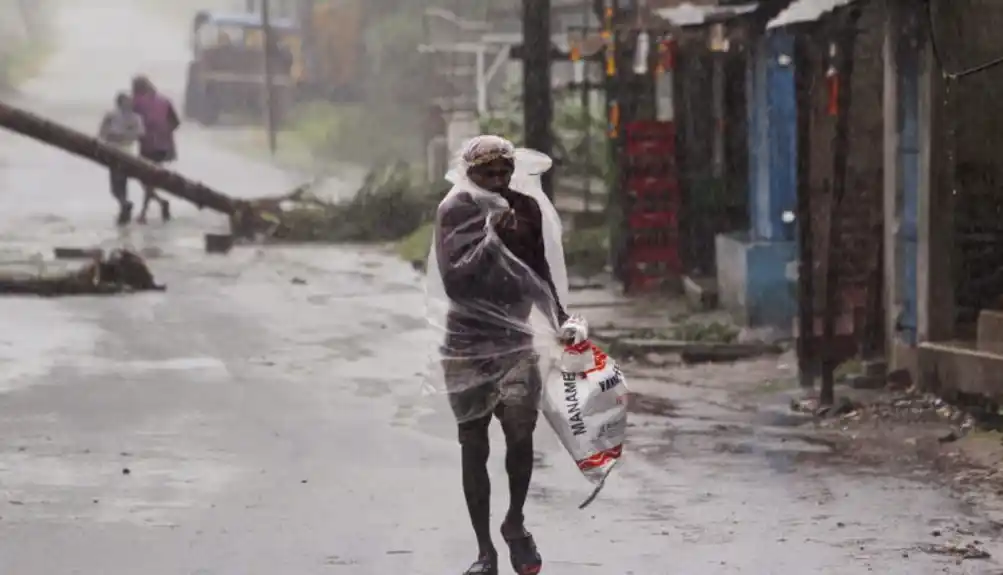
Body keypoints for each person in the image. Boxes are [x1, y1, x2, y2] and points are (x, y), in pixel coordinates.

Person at [432, 135, 587, 575]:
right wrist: (489, 241)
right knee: (473, 443)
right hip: (466, 344)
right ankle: (485, 551)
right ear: (470, 174)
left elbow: (539, 271)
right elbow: (455, 281)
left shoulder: (526, 208)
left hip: (516, 341)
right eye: (488, 174)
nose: (498, 181)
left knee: (521, 431)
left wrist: (562, 321)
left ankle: (515, 520)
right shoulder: (455, 211)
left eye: (505, 172)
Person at [131, 75, 179, 223]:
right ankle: (158, 204)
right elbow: (176, 122)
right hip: (164, 146)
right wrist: (164, 132)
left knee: (146, 178)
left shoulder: (137, 102)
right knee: (150, 177)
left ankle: (146, 212)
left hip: (148, 145)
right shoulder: (164, 101)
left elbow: (131, 122)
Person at [97, 92, 145, 225]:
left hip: (120, 152)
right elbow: (102, 133)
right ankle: (124, 205)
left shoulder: (129, 117)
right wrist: (124, 135)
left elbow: (102, 134)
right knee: (119, 183)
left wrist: (118, 136)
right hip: (121, 151)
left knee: (117, 183)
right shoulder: (124, 117)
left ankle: (124, 204)